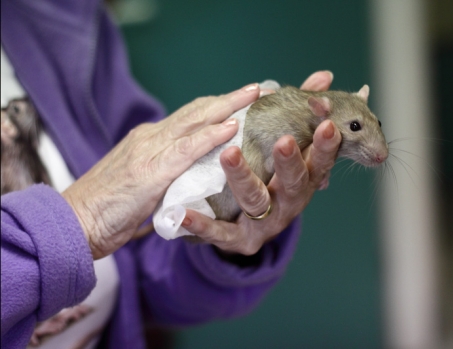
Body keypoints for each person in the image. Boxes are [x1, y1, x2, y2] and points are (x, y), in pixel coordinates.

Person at [0, 0, 341, 348]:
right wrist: (80, 220)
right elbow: (93, 218)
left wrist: (222, 228)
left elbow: (147, 267)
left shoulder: (60, 18)